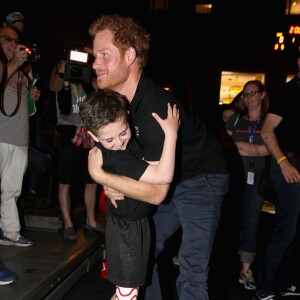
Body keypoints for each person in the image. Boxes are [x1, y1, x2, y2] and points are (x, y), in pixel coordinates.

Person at [87, 14, 229, 300]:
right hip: (163, 178)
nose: (95, 63)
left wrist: (103, 176)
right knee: (143, 255)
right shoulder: (115, 104)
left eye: (104, 55)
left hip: (201, 178)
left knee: (192, 268)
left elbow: (156, 194)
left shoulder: (155, 110)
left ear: (130, 56)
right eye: (94, 55)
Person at [79, 89, 180, 300]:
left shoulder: (121, 147)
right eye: (109, 139)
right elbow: (163, 174)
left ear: (127, 115)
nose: (119, 142)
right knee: (127, 295)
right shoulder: (116, 157)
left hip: (131, 225)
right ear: (93, 135)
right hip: (127, 231)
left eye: (123, 132)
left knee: (126, 293)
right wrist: (171, 134)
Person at [254, 53, 300, 300]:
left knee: (294, 230)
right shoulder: (288, 91)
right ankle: (264, 286)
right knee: (286, 229)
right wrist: (283, 162)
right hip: (288, 163)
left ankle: (283, 281)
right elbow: (267, 129)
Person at [49, 48, 104, 241]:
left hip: (89, 137)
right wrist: (63, 75)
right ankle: (68, 224)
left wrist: (86, 79)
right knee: (65, 183)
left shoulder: (90, 80)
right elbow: (63, 105)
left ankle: (90, 220)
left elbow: (95, 100)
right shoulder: (60, 80)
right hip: (68, 137)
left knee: (92, 182)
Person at [225, 80, 270, 291]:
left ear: (262, 95)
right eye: (245, 94)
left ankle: (245, 270)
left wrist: (250, 148)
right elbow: (222, 145)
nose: (249, 97)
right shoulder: (235, 120)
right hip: (234, 177)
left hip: (258, 178)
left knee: (251, 223)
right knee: (231, 220)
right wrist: (240, 145)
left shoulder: (270, 121)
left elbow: (275, 147)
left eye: (253, 93)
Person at [0, 25, 40, 246]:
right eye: (6, 38)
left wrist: (32, 96)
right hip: (0, 135)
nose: (12, 44)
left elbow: (28, 108)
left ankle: (10, 232)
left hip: (19, 137)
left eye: (15, 40)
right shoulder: (6, 65)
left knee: (12, 189)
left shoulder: (25, 71)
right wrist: (15, 63)